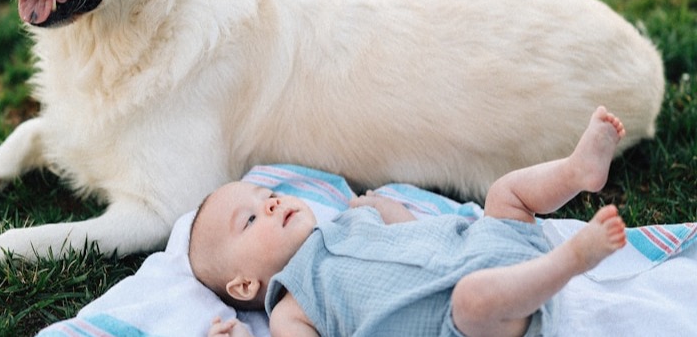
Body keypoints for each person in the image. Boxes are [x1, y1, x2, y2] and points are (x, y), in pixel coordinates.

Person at [188, 107, 628, 337]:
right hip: (470, 321)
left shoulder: (346, 223)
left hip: (481, 245)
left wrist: (378, 208)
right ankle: (570, 261)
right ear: (244, 285)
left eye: (268, 196)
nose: (270, 204)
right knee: (471, 298)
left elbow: (409, 229)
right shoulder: (292, 310)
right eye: (249, 219)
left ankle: (577, 171)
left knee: (505, 195)